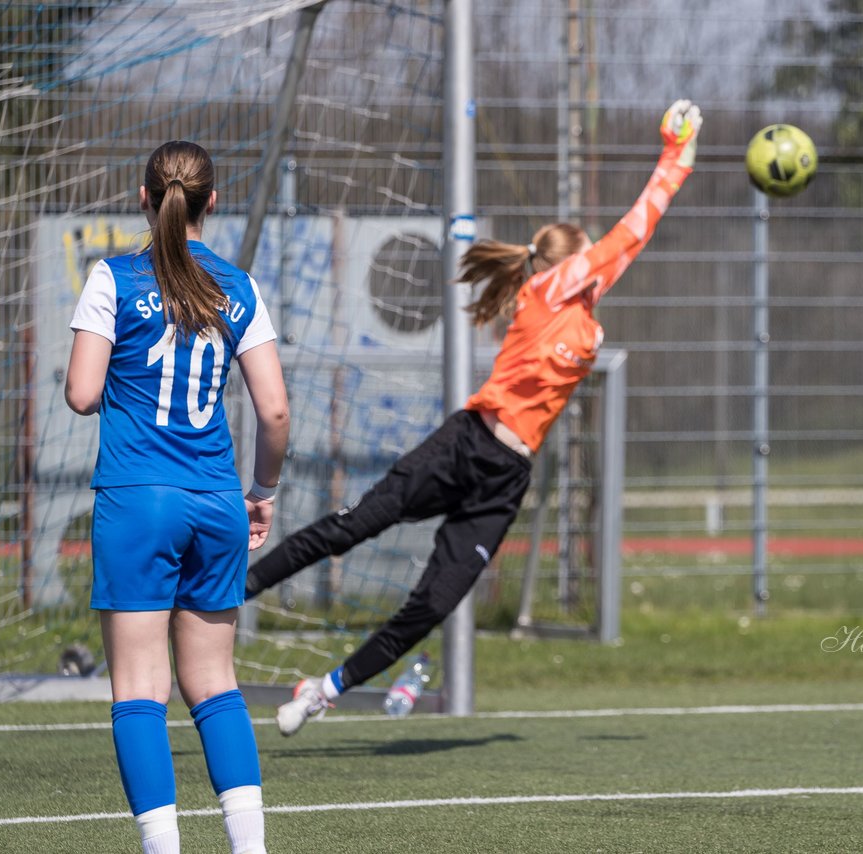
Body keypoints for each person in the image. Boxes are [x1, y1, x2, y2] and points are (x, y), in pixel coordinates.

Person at [254, 99, 703, 736]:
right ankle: (235, 589)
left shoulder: (585, 305)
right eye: (585, 263)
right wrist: (672, 157)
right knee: (350, 529)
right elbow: (627, 235)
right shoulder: (546, 291)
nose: (596, 270)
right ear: (561, 268)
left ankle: (324, 690)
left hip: (503, 479)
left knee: (434, 603)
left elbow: (632, 244)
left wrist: (677, 166)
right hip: (463, 445)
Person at [65, 140, 290, 854]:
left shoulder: (114, 277)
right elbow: (276, 412)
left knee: (139, 686)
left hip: (138, 499)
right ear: (211, 203)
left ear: (142, 198)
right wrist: (263, 492)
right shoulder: (239, 286)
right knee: (216, 683)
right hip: (218, 500)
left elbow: (80, 394)